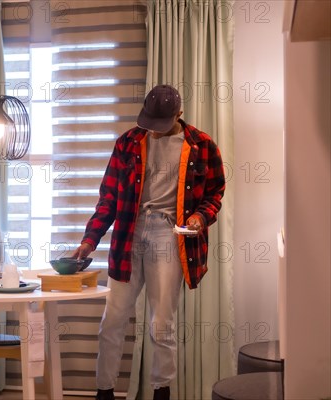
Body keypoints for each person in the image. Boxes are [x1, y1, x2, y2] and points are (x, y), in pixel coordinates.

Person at [72, 85, 226, 400]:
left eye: (160, 124)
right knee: (112, 319)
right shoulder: (128, 143)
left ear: (179, 115)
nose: (152, 131)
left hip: (169, 234)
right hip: (129, 231)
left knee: (162, 323)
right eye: (148, 123)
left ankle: (161, 392)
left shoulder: (202, 146)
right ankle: (105, 391)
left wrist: (200, 218)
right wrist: (90, 240)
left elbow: (215, 193)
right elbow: (108, 199)